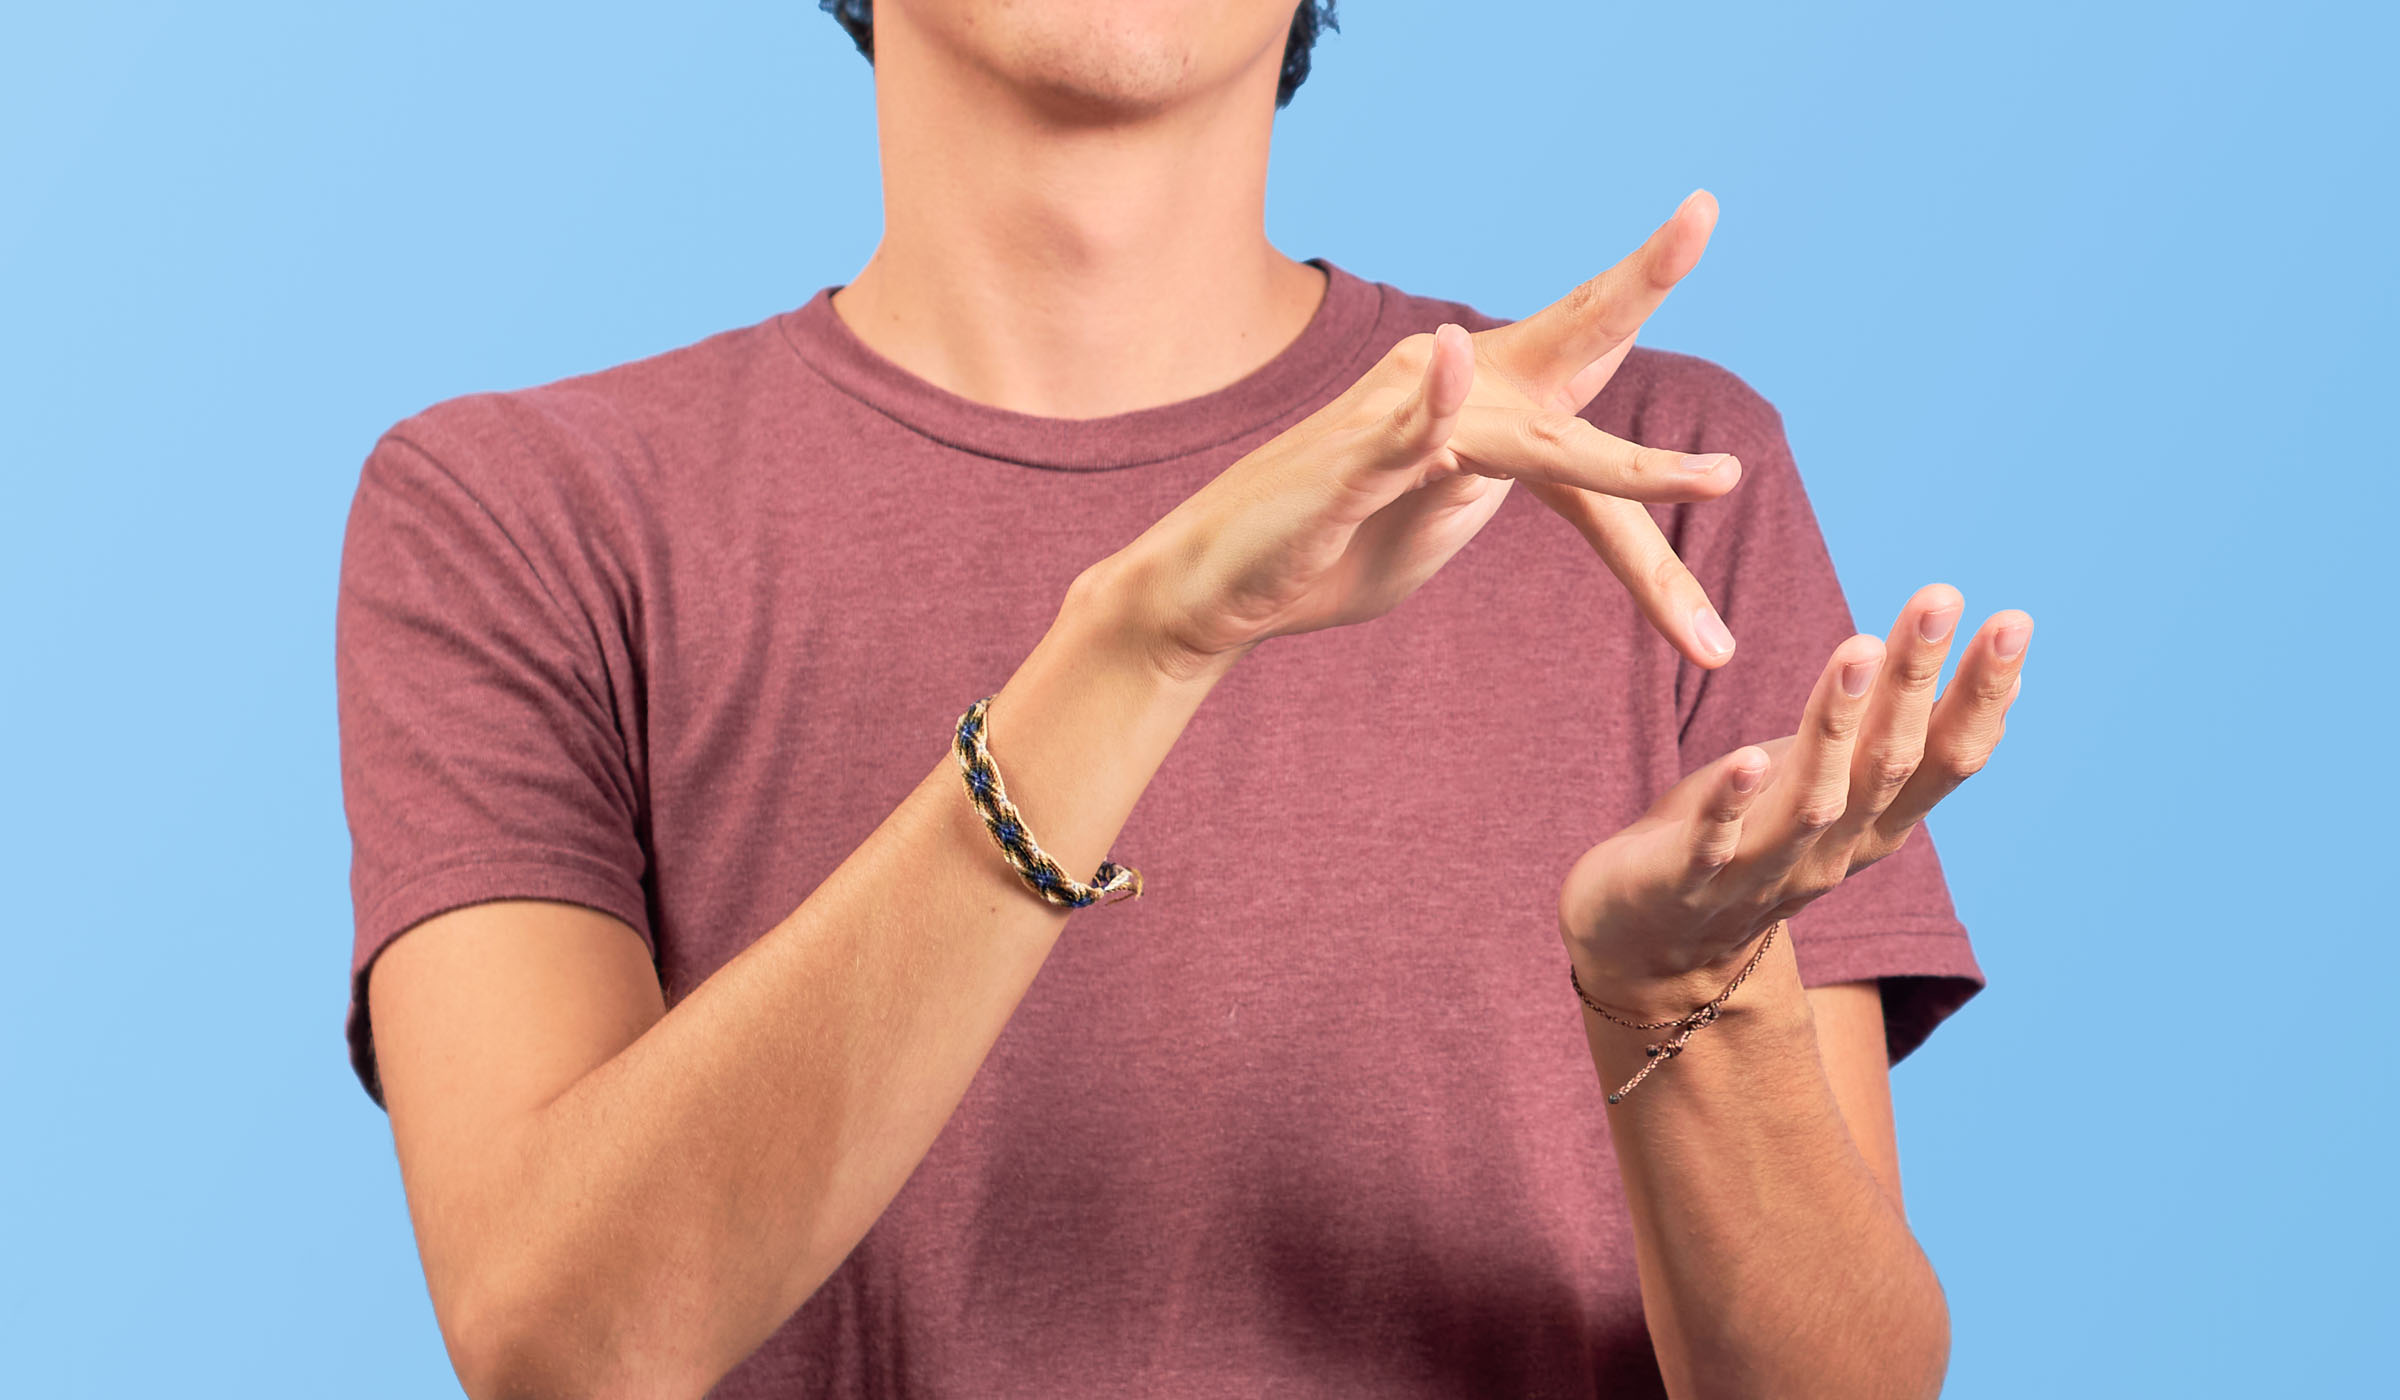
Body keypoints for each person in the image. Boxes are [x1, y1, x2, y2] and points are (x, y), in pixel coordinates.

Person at [335, 2, 2032, 1396]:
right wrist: (1142, 639)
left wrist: (1684, 993)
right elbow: (564, 1345)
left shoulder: (1643, 470)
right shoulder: (520, 513)